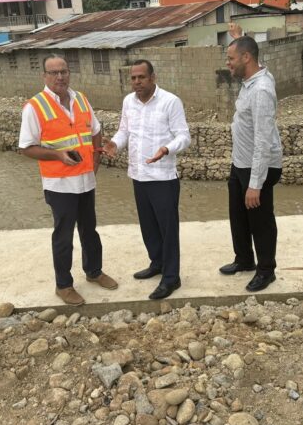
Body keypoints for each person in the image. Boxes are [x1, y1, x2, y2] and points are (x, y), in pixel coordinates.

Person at [18, 54, 118, 306]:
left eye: (63, 71)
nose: (60, 77)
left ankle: (94, 271)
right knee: (63, 235)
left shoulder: (80, 99)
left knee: (89, 230)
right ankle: (63, 285)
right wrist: (57, 155)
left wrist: (96, 160)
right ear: (44, 76)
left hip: (86, 180)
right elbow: (26, 148)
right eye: (54, 72)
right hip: (60, 184)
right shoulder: (35, 107)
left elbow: (96, 131)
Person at [104, 59, 191, 300]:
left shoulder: (170, 102)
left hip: (163, 177)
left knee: (167, 229)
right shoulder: (128, 102)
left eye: (141, 77)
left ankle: (171, 277)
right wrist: (115, 144)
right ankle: (157, 263)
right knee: (148, 225)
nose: (137, 82)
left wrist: (166, 149)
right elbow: (124, 131)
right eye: (133, 78)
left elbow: (184, 136)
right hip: (138, 175)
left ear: (152, 78)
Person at [219, 36, 283, 292]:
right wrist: (239, 35)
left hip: (259, 167)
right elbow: (249, 50)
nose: (228, 63)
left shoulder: (261, 91)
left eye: (231, 58)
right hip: (241, 162)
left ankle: (266, 271)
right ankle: (244, 259)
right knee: (238, 215)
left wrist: (255, 184)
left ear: (246, 58)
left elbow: (263, 142)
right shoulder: (251, 80)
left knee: (260, 220)